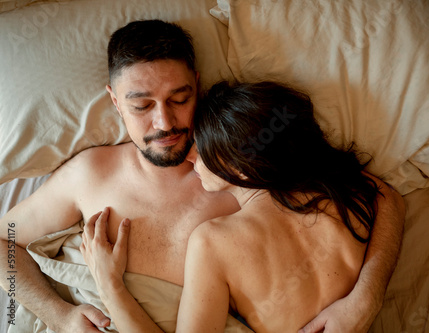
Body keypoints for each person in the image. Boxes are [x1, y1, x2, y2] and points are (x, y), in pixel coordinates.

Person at [0, 20, 405, 333]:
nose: (165, 122)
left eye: (180, 99)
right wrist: (59, 315)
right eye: (141, 105)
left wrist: (364, 299)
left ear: (198, 85)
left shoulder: (252, 166)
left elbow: (383, 195)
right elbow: (4, 237)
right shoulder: (89, 175)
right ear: (114, 101)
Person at [81, 80, 406, 332]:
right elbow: (389, 197)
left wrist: (110, 287)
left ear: (238, 164)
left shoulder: (213, 242)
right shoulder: (340, 190)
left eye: (202, 147)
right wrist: (367, 296)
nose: (190, 156)